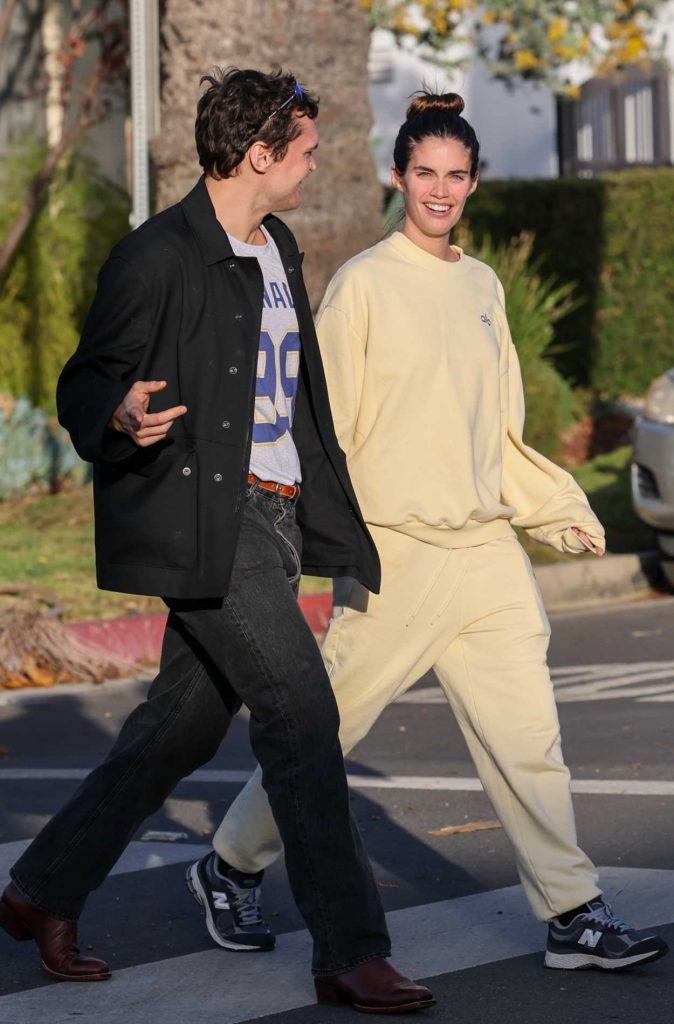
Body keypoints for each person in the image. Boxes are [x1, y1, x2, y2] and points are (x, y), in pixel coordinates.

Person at [191, 90, 669, 974]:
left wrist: (554, 508)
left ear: (474, 183)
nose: (440, 191)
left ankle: (573, 911)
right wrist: (321, 543)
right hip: (395, 555)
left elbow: (498, 429)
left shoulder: (482, 286)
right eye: (424, 174)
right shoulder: (365, 286)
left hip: (485, 553)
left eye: (455, 176)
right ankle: (228, 865)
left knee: (531, 744)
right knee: (325, 735)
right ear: (398, 177)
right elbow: (322, 429)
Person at [0, 68, 435, 1014]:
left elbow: (291, 399)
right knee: (301, 714)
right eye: (308, 149)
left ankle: (40, 891)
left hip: (273, 515)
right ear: (258, 153)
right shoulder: (155, 258)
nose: (320, 162)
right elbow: (86, 381)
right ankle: (350, 949)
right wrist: (116, 411)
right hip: (210, 515)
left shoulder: (278, 244)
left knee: (179, 731)